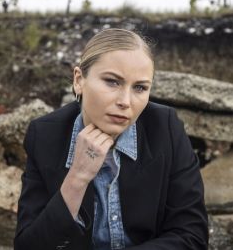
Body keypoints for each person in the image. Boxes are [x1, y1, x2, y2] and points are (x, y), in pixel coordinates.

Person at [14, 28, 208, 250]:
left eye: (139, 87)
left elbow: (193, 238)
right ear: (79, 81)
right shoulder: (45, 136)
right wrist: (77, 178)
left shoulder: (166, 129)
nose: (125, 101)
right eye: (112, 82)